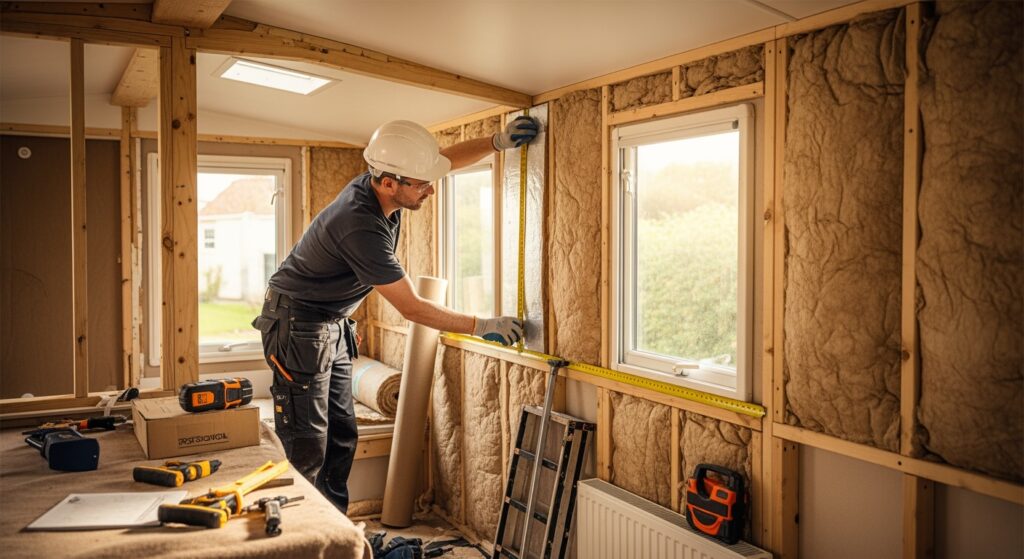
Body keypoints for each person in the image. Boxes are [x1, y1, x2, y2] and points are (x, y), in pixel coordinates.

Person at [252, 116, 541, 513]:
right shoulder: (360, 226)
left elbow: (444, 161)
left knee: (340, 437)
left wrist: (497, 141)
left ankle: (338, 539)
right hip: (298, 326)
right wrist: (482, 326)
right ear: (390, 183)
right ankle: (298, 543)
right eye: (422, 185)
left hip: (329, 325)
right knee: (307, 446)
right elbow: (412, 307)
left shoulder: (386, 181)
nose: (431, 191)